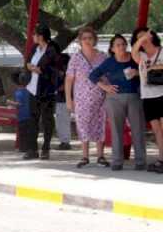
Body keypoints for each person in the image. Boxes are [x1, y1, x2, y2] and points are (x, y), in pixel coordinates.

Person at [88, 34, 146, 171]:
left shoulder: (134, 58)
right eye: (118, 45)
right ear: (112, 48)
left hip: (134, 97)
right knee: (116, 130)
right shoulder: (109, 62)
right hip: (114, 99)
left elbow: (146, 70)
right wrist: (105, 87)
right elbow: (92, 75)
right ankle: (117, 161)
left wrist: (136, 73)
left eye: (123, 44)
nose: (121, 47)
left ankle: (140, 161)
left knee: (138, 130)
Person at [65, 26, 109, 168]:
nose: (87, 41)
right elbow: (69, 80)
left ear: (94, 40)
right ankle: (85, 156)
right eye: (84, 38)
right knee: (83, 125)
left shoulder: (102, 56)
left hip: (100, 97)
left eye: (90, 38)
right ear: (80, 41)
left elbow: (108, 77)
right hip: (81, 98)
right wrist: (68, 99)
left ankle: (101, 155)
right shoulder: (75, 58)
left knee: (100, 124)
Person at [23, 24, 60, 160]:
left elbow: (54, 68)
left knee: (47, 120)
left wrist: (40, 70)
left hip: (46, 90)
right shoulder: (34, 48)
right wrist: (30, 67)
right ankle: (32, 149)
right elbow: (28, 62)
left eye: (35, 34)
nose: (33, 37)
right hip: (32, 88)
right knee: (32, 120)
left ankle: (46, 147)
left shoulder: (52, 49)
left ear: (41, 36)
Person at [131, 27, 163, 173]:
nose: (142, 39)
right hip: (148, 96)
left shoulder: (161, 51)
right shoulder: (141, 56)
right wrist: (141, 39)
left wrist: (157, 66)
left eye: (145, 36)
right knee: (157, 130)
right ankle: (161, 159)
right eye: (139, 38)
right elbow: (133, 53)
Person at [9, 71, 33, 152]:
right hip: (30, 116)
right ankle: (29, 147)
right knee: (29, 133)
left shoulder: (18, 92)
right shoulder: (30, 91)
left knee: (22, 133)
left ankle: (23, 148)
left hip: (22, 117)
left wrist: (10, 102)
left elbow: (19, 104)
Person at [53, 52, 72, 150]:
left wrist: (55, 89)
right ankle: (63, 141)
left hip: (64, 99)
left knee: (63, 121)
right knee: (61, 121)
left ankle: (65, 142)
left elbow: (65, 85)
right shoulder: (62, 70)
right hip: (60, 99)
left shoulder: (66, 71)